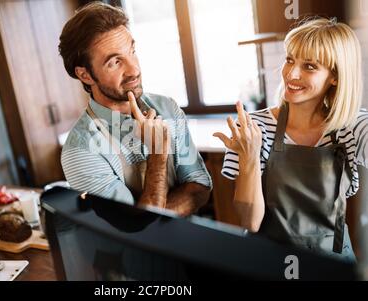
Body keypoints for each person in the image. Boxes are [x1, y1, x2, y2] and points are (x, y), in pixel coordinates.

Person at [214, 17, 368, 261]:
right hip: (270, 263)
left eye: (309, 66)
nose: (291, 73)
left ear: (335, 76)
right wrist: (250, 157)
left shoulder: (352, 126)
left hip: (334, 267)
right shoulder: (254, 128)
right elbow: (249, 222)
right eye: (289, 60)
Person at [59, 2, 212, 216]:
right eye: (115, 62)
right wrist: (158, 153)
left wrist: (147, 214)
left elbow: (200, 187)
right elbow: (131, 229)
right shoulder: (80, 151)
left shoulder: (167, 107)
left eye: (132, 51)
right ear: (85, 75)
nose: (134, 70)